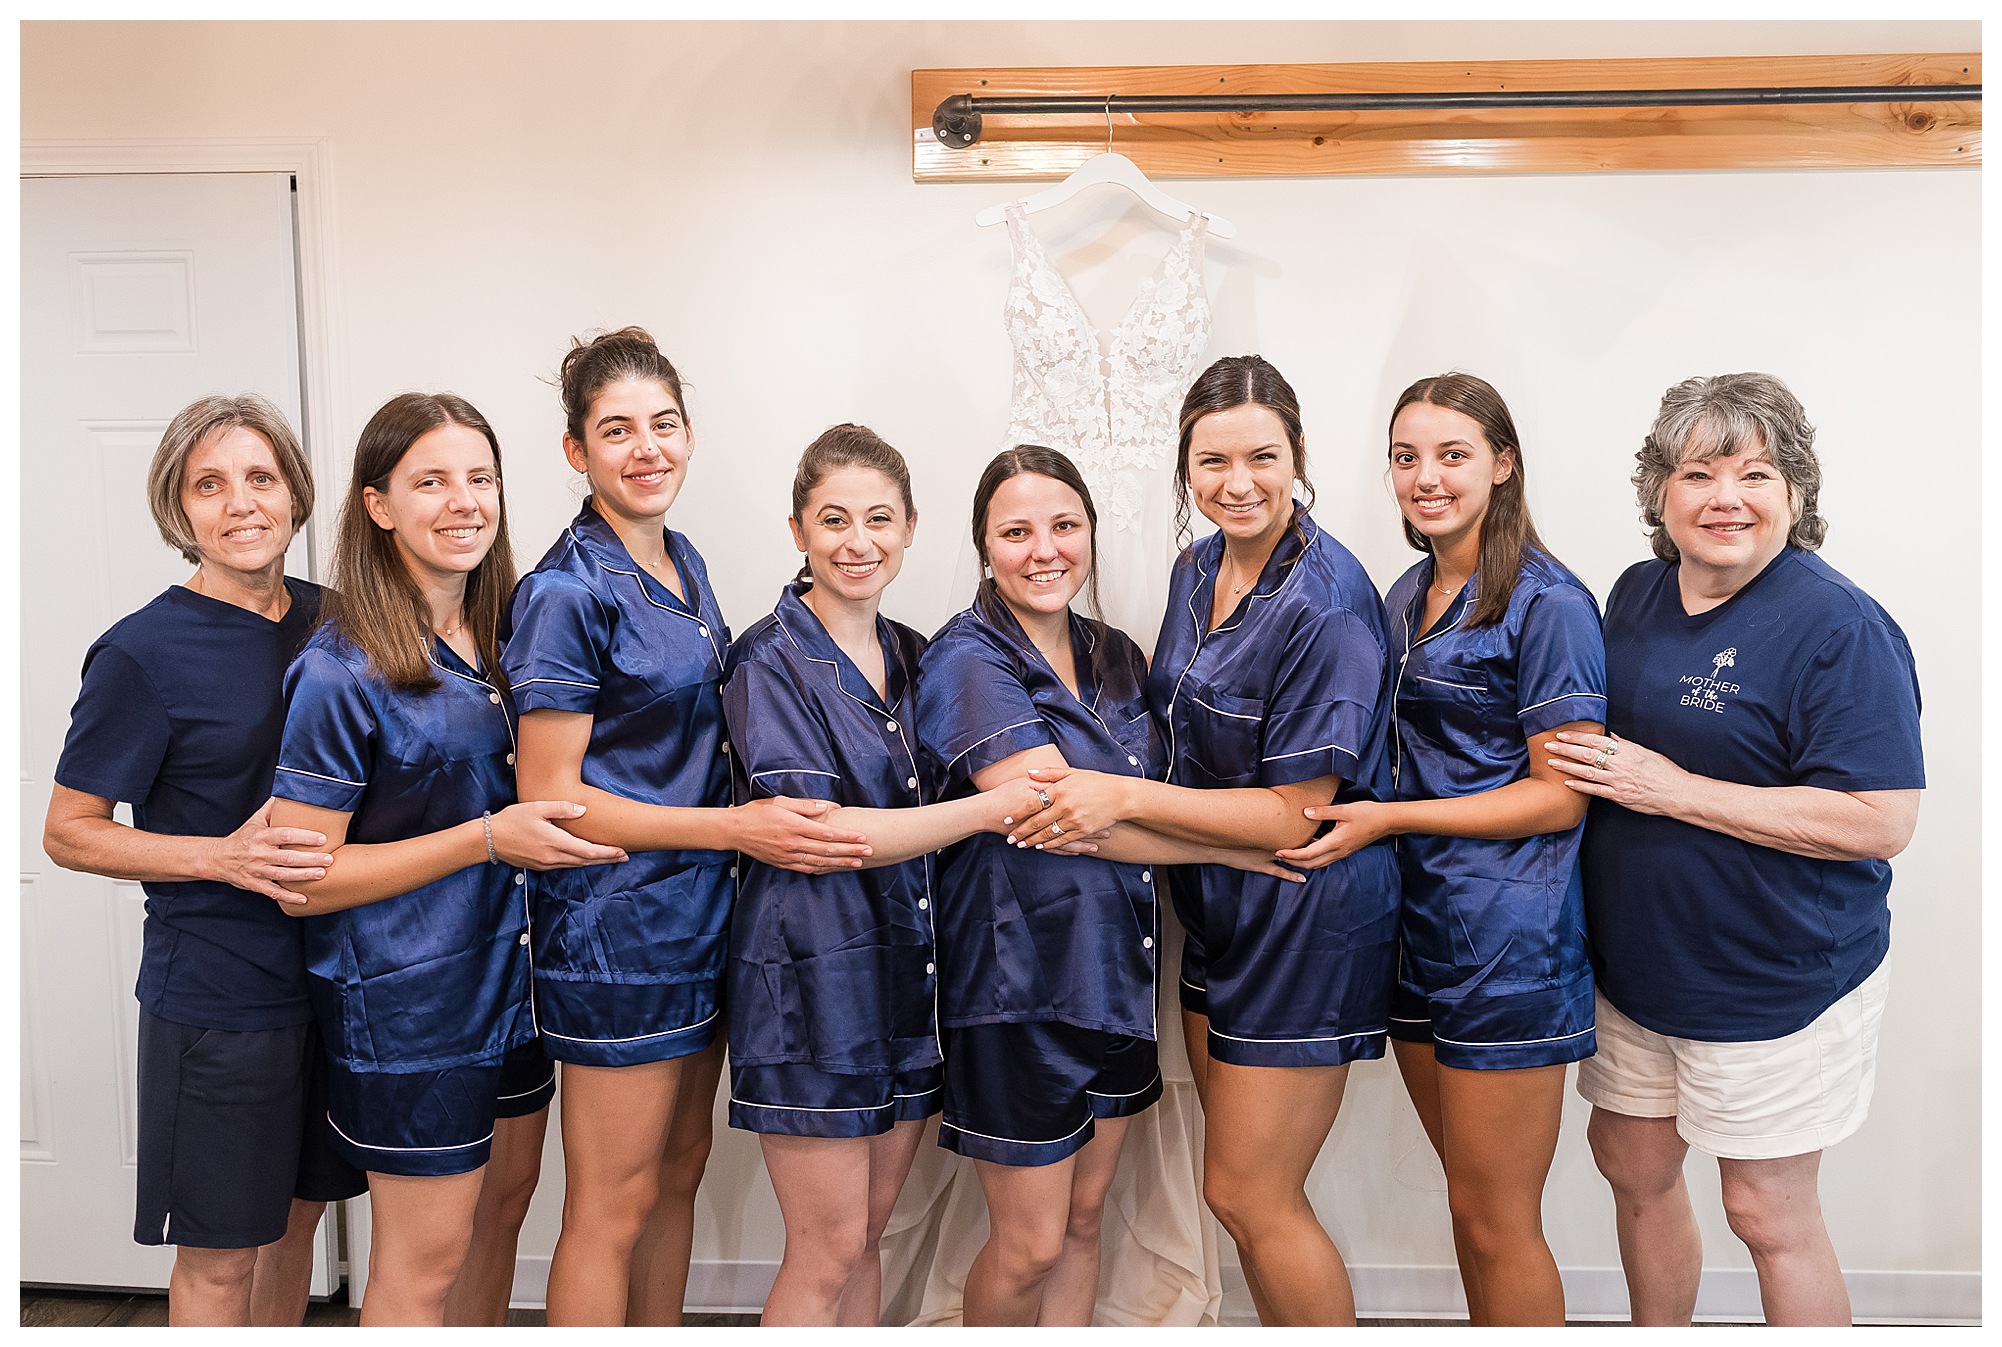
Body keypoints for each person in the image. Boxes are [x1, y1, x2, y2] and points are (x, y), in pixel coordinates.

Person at [1003, 357, 1399, 1325]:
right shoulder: (1197, 568)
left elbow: (1297, 813)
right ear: (1185, 468)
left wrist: (1118, 799)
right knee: (1237, 1198)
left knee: (1251, 1194)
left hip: (1302, 913)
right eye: (1212, 461)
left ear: (1298, 456)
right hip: (1215, 905)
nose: (1237, 483)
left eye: (1262, 457)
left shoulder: (1327, 602)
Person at [504, 328, 874, 1326]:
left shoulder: (680, 560)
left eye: (663, 423)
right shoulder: (565, 591)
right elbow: (552, 798)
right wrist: (736, 830)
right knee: (610, 1206)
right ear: (576, 450)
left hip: (700, 920)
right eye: (616, 429)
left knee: (678, 1170)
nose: (647, 448)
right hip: (615, 932)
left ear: (689, 432)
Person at [1548, 373, 1922, 1327]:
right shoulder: (1635, 594)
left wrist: (1675, 790)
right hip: (1637, 973)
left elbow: (1881, 819)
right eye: (1699, 473)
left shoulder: (1841, 627)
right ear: (1659, 492)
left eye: (1756, 474)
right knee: (1631, 1166)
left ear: (1795, 492)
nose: (1727, 498)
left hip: (1772, 980)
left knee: (1766, 1211)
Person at [915, 445, 1298, 1328]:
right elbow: (1056, 816)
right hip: (1018, 991)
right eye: (1016, 532)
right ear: (983, 547)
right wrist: (1238, 846)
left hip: (1119, 978)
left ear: (1089, 531)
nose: (1044, 550)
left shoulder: (1118, 654)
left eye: (1064, 525)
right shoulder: (967, 658)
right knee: (1029, 1244)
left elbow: (1142, 796)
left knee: (1085, 1220)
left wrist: (1230, 832)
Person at [267, 392, 620, 1326]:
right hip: (410, 1009)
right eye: (432, 481)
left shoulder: (512, 634)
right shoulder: (340, 669)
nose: (465, 501)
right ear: (378, 504)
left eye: (481, 478)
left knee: (500, 1218)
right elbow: (302, 881)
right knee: (422, 1264)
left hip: (516, 993)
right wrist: (486, 838)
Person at [1277, 373, 1605, 1324]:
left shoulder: (1550, 604)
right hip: (1415, 932)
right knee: (1467, 1205)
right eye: (1406, 456)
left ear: (1503, 464)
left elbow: (1559, 796)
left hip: (1509, 945)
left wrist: (1391, 820)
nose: (1426, 477)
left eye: (1452, 454)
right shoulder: (1405, 593)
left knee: (1501, 1218)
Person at [42, 395, 366, 1327]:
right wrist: (221, 857)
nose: (241, 504)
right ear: (178, 510)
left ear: (294, 493)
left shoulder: (338, 620)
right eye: (209, 485)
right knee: (222, 1255)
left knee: (299, 1225)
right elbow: (69, 830)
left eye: (260, 477)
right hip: (221, 999)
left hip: (336, 979)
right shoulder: (140, 652)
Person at [721, 424, 1044, 1326]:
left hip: (906, 981)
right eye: (833, 520)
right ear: (798, 531)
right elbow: (822, 833)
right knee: (825, 1250)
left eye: (878, 518)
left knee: (866, 1238)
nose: (857, 541)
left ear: (909, 528)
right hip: (808, 990)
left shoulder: (916, 653)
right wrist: (990, 808)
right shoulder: (769, 659)